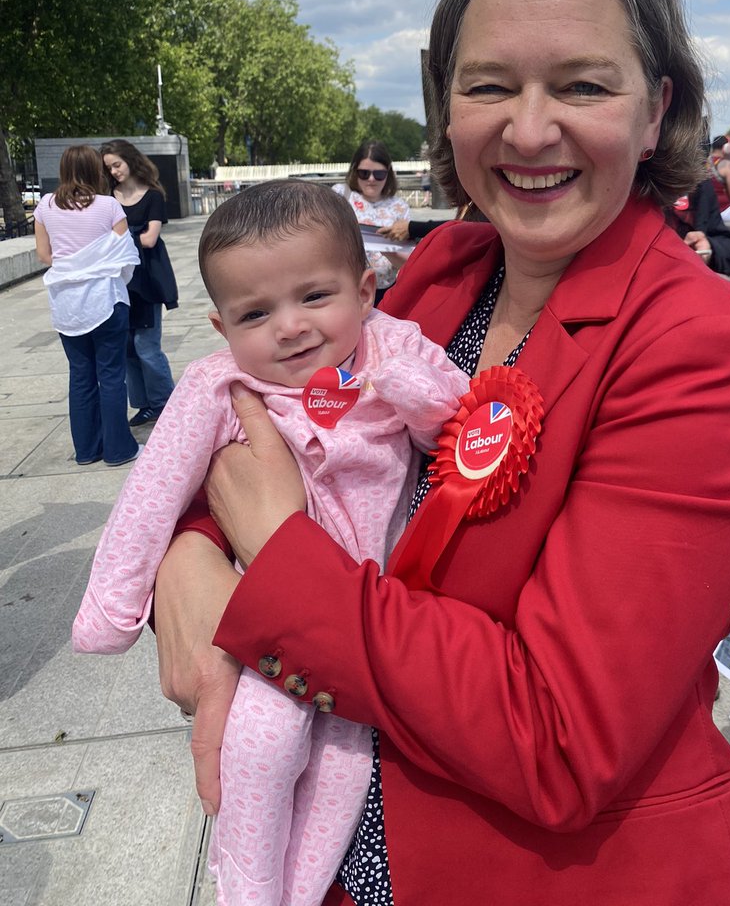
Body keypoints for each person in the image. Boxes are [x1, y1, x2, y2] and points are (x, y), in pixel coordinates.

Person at [153, 0, 730, 905]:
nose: (529, 130)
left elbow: (557, 736)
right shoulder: (440, 271)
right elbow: (270, 421)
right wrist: (184, 556)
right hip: (351, 857)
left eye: (581, 84)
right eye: (490, 85)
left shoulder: (705, 350)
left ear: (655, 107)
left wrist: (273, 566)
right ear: (444, 108)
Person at [73, 180, 468, 905]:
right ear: (223, 329)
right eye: (256, 313)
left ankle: (302, 884)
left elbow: (456, 420)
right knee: (263, 736)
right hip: (271, 617)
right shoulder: (218, 387)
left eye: (314, 298)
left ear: (366, 289)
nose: (289, 327)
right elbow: (155, 491)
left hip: (372, 618)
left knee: (347, 753)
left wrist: (401, 385)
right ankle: (249, 887)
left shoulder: (394, 347)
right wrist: (114, 604)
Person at [33, 145, 140, 467]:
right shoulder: (109, 206)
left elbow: (44, 255)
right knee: (110, 376)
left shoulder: (45, 205)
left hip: (66, 304)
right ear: (96, 170)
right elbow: (124, 255)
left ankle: (86, 450)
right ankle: (119, 449)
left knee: (80, 376)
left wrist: (73, 266)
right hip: (105, 299)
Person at [101, 140, 178, 426]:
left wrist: (117, 239)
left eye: (117, 164)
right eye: (109, 167)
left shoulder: (153, 196)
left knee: (147, 346)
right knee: (127, 347)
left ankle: (165, 402)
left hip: (147, 281)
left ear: (131, 160)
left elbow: (150, 239)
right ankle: (144, 404)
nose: (114, 171)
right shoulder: (108, 197)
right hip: (119, 281)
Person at [333, 141, 410, 302]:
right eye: (364, 173)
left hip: (386, 290)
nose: (371, 179)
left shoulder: (399, 207)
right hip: (347, 288)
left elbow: (409, 263)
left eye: (379, 174)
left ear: (388, 173)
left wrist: (386, 247)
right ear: (355, 171)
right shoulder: (340, 195)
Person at [665, 178, 730, 275]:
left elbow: (729, 255)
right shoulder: (643, 183)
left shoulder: (702, 185)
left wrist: (708, 250)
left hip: (690, 275)